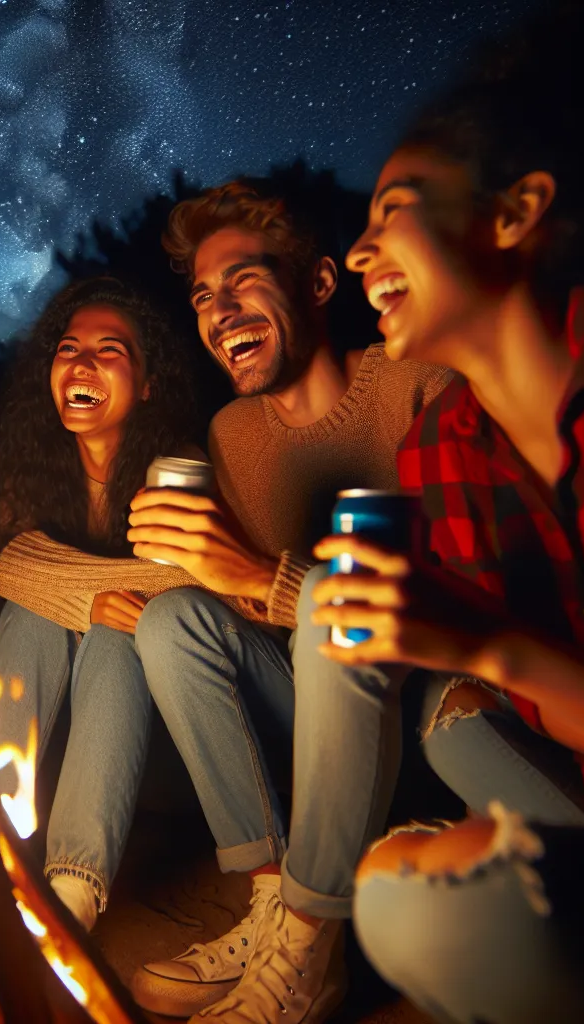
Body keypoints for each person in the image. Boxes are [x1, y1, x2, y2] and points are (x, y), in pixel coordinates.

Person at [311, 5, 584, 1020]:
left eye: (393, 210)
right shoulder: (443, 448)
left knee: (440, 910)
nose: (359, 244)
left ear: (513, 215)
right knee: (399, 883)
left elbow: (500, 653)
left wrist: (486, 644)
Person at [122, 180, 451, 1022]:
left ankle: (308, 953)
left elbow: (450, 611)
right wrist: (188, 576)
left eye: (242, 281)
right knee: (172, 622)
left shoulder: (416, 382)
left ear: (318, 283)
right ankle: (272, 908)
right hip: (313, 710)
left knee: (327, 598)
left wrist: (260, 576)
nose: (218, 309)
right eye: (201, 295)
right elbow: (252, 611)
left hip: (422, 717)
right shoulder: (234, 435)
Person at [0, 276, 204, 930]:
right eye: (68, 347)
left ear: (149, 383)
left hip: (161, 755)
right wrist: (99, 593)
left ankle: (69, 901)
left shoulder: (180, 467)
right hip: (51, 754)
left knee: (118, 634)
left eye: (109, 350)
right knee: (33, 613)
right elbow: (9, 565)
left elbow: (192, 588)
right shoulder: (33, 464)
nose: (81, 362)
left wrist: (85, 594)